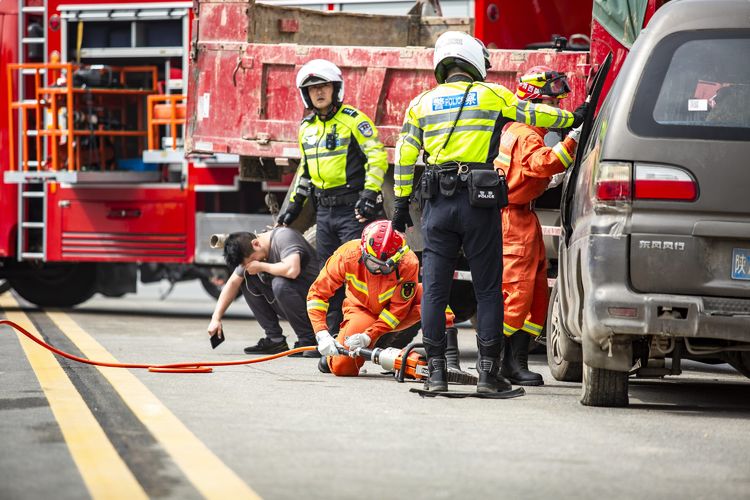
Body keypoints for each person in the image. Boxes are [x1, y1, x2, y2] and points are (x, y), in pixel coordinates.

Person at [392, 31, 587, 392]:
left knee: (434, 290)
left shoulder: (420, 103)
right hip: (478, 205)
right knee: (488, 290)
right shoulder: (490, 94)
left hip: (436, 205)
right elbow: (531, 112)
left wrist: (402, 203)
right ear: (474, 61)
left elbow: (404, 156)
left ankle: (436, 375)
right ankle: (487, 376)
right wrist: (572, 117)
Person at [277, 58, 389, 334]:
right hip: (323, 213)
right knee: (328, 274)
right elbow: (305, 171)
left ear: (335, 88)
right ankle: (330, 333)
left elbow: (377, 158)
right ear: (306, 94)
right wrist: (293, 206)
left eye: (324, 86)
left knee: (356, 273)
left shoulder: (353, 120)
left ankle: (360, 331)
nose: (319, 92)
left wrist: (369, 194)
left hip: (352, 210)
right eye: (312, 88)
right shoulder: (306, 128)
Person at [494, 65, 583, 386]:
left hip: (522, 216)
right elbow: (545, 162)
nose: (558, 111)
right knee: (517, 293)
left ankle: (515, 361)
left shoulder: (522, 133)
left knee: (534, 294)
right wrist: (573, 138)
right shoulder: (525, 134)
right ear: (535, 104)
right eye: (553, 105)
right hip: (512, 219)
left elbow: (537, 171)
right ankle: (497, 363)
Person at [309, 220, 456, 377]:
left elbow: (397, 310)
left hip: (397, 313)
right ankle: (333, 358)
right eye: (373, 263)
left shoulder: (408, 262)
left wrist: (369, 335)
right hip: (362, 310)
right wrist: (322, 333)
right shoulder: (347, 255)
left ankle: (450, 359)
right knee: (343, 368)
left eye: (385, 266)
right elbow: (317, 294)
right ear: (363, 250)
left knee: (433, 296)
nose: (378, 269)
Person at [207, 228, 320, 357]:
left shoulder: (283, 237)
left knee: (279, 284)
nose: (253, 264)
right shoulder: (250, 250)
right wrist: (216, 318)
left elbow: (292, 270)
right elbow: (232, 283)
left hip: (317, 301)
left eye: (253, 260)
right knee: (246, 277)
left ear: (256, 244)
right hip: (298, 302)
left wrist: (261, 266)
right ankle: (275, 340)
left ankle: (309, 340)